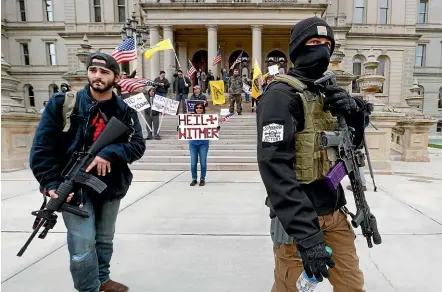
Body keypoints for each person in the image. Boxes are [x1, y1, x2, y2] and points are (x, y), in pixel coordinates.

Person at [257, 17, 370, 291]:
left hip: (335, 212)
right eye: (314, 42)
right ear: (297, 48)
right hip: (298, 221)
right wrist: (307, 236)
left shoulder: (326, 92)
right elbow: (274, 169)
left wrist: (354, 114)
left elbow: (351, 147)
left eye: (327, 44)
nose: (322, 49)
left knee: (352, 285)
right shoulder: (280, 96)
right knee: (291, 287)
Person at [29, 52, 146, 292]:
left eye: (104, 72)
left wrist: (111, 151)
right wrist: (50, 183)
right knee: (82, 245)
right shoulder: (64, 103)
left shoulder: (125, 110)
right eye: (93, 70)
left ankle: (102, 279)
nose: (97, 76)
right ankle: (88, 289)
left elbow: (137, 146)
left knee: (104, 239)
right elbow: (41, 148)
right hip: (72, 188)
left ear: (116, 77)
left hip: (110, 186)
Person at [186, 102, 217, 187]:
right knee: (193, 162)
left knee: (203, 162)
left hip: (203, 143)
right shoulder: (190, 118)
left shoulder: (207, 118)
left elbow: (212, 128)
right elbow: (185, 127)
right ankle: (194, 179)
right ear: (194, 109)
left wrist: (216, 127)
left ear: (203, 109)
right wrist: (180, 126)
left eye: (200, 107)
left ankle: (202, 178)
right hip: (193, 143)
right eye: (197, 108)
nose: (199, 109)